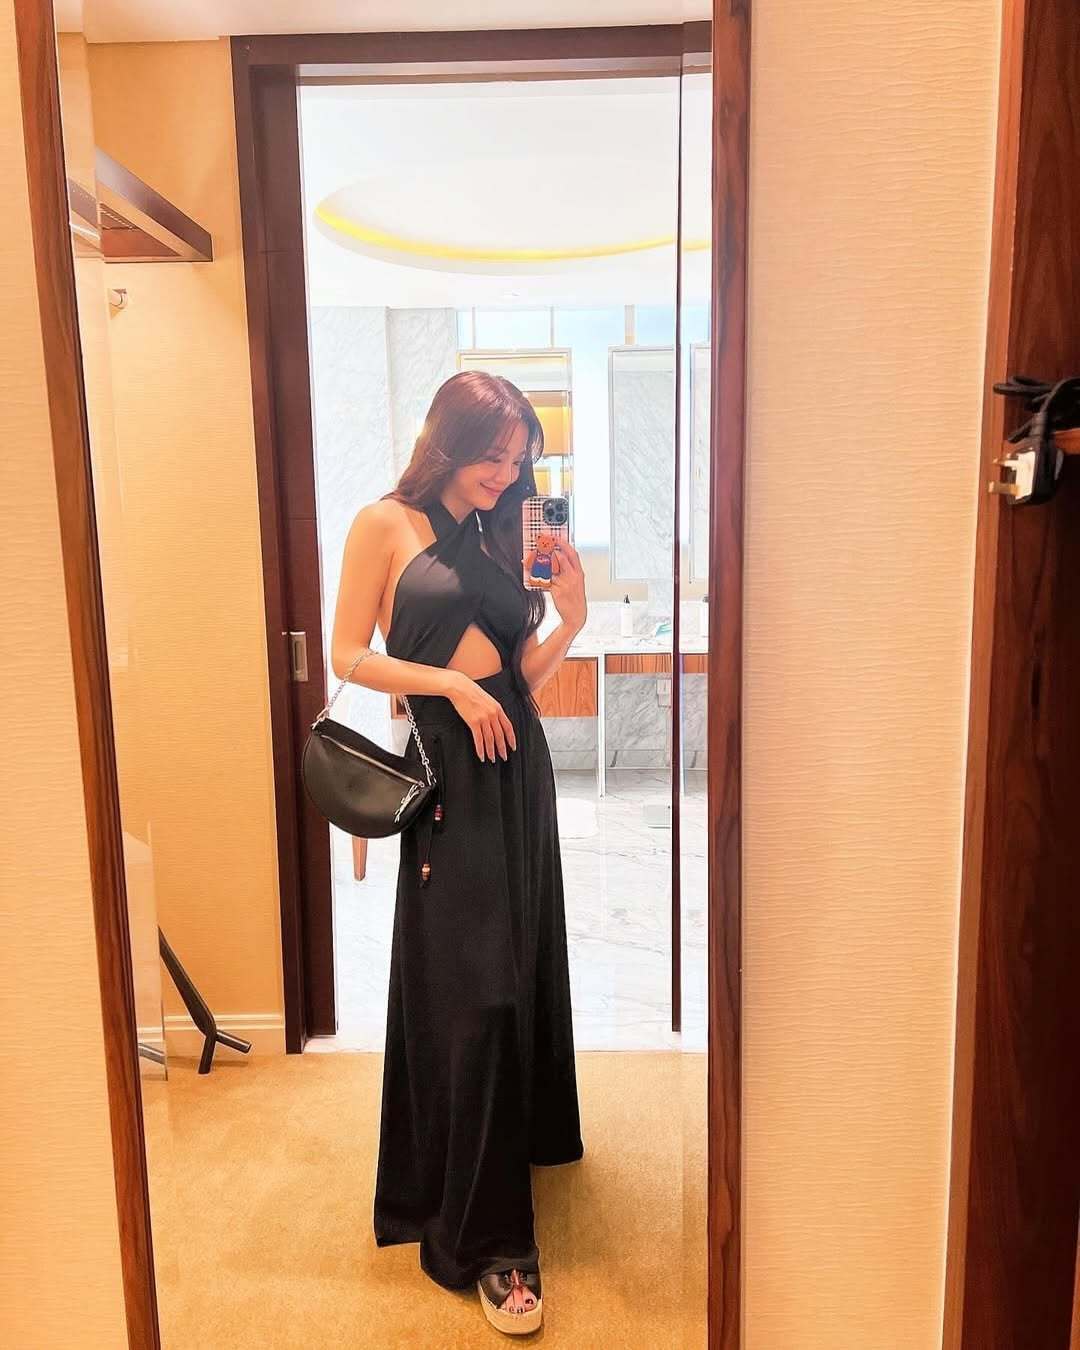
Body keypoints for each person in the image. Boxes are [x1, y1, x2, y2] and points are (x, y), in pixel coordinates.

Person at [330, 369, 587, 1335]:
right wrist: (449, 685)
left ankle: (511, 1153)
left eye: (518, 461)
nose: (506, 474)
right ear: (449, 439)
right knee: (473, 996)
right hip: (449, 780)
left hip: (519, 773)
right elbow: (347, 654)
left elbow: (518, 679)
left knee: (518, 974)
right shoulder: (385, 524)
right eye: (493, 455)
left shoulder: (502, 531)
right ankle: (487, 1241)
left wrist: (572, 620)